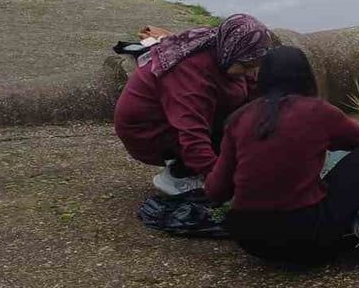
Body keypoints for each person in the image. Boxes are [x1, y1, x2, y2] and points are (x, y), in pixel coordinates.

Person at [206, 46, 359, 265]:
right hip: (306, 236)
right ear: (307, 76)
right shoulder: (318, 111)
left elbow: (215, 190)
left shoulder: (239, 118)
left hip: (249, 237)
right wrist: (324, 141)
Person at [114, 14, 271, 195]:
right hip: (149, 129)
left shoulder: (226, 52)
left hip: (181, 114)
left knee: (243, 125)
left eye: (254, 66)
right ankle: (178, 174)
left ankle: (200, 165)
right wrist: (222, 183)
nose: (249, 72)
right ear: (232, 52)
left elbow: (253, 99)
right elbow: (192, 132)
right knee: (221, 138)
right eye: (245, 66)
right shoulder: (191, 72)